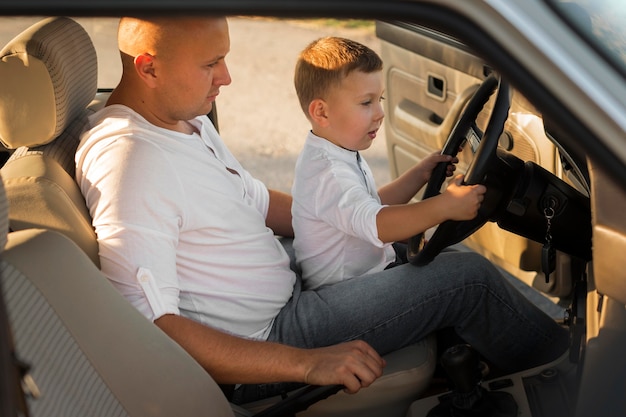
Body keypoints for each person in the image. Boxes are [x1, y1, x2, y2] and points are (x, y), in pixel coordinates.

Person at [75, 16, 568, 405]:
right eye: (211, 64)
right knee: (467, 279)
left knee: (405, 247)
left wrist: (341, 219)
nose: (227, 77)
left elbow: (263, 203)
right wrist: (305, 364)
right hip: (270, 339)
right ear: (148, 67)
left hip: (289, 287)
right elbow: (148, 325)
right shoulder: (130, 162)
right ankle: (575, 378)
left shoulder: (183, 123)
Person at [291, 36, 480, 289]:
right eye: (366, 102)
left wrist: (420, 174)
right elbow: (378, 224)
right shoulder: (328, 173)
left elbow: (372, 206)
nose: (380, 113)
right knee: (473, 278)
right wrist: (446, 205)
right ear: (322, 112)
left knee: (452, 260)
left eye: (379, 100)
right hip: (345, 296)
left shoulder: (336, 151)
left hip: (369, 273)